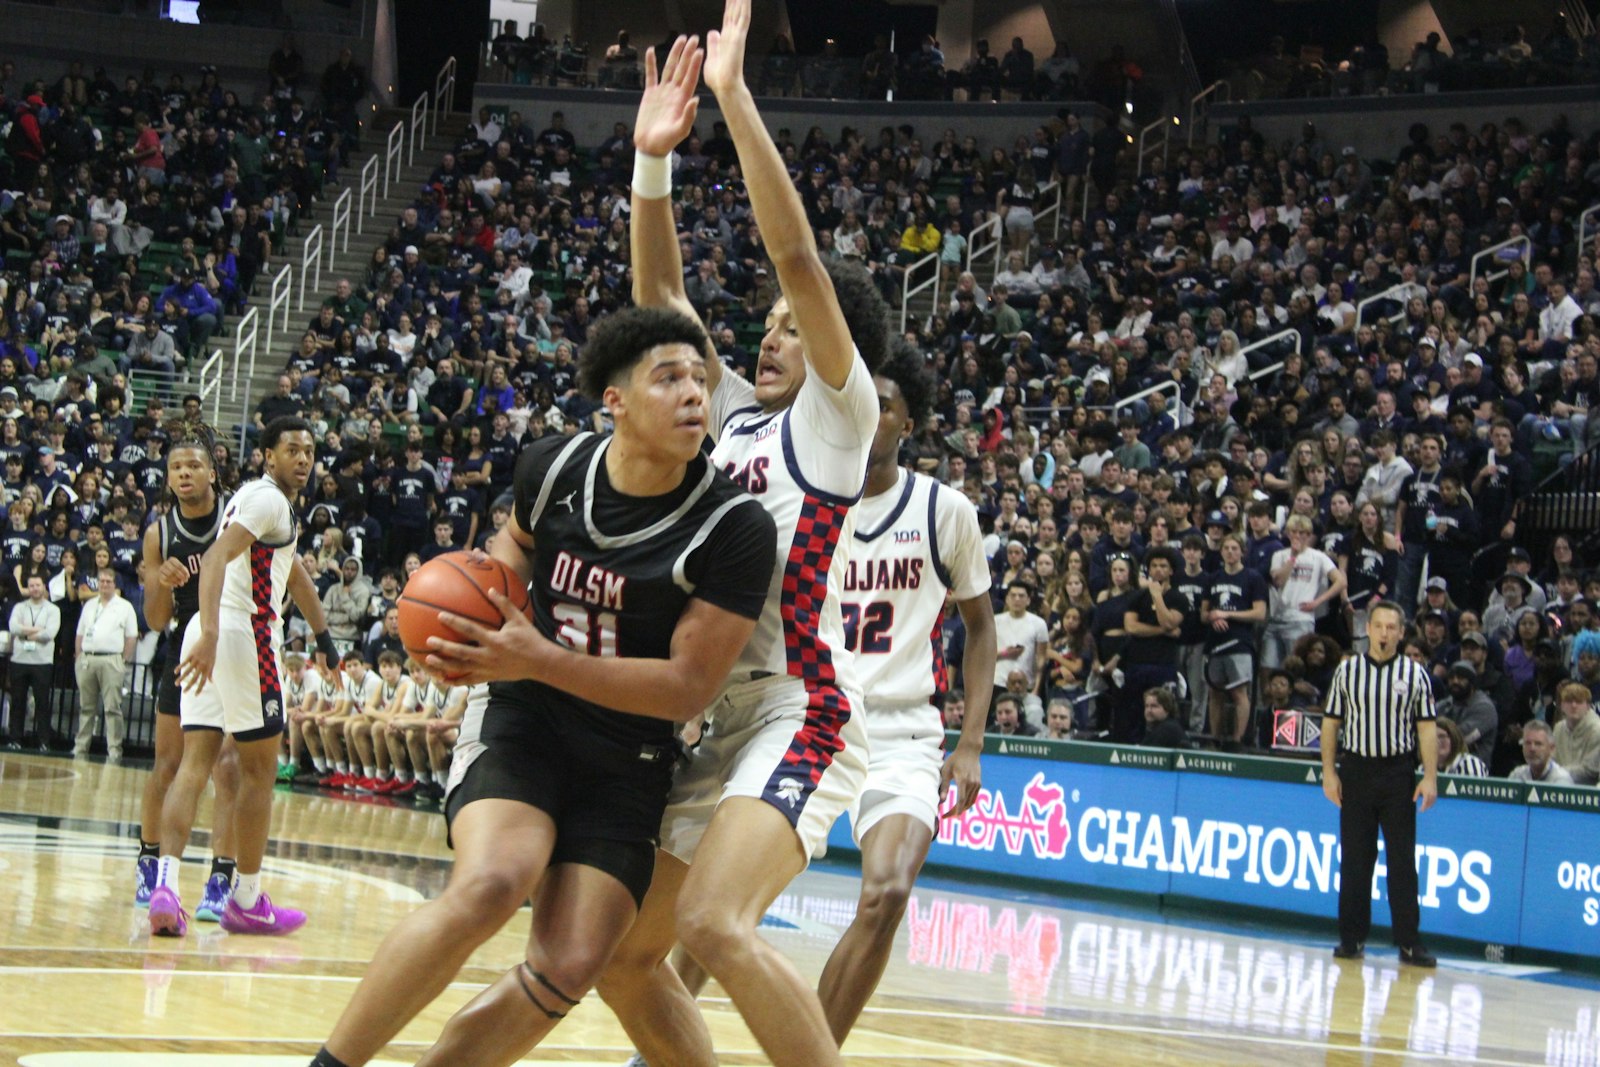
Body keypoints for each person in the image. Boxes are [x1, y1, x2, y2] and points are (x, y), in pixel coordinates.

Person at [307, 306, 776, 1067]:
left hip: (630, 753)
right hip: (526, 715)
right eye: (669, 377)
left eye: (701, 377)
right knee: (493, 879)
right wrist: (469, 620)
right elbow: (512, 554)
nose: (694, 392)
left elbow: (687, 688)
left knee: (570, 960)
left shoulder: (734, 526)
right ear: (615, 400)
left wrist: (535, 652)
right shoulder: (553, 467)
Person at [596, 17, 890, 1067]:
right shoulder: (729, 421)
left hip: (793, 705)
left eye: (782, 324)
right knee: (625, 959)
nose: (765, 335)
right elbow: (660, 306)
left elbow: (797, 253)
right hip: (702, 704)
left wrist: (731, 95)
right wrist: (649, 166)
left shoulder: (835, 417)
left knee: (715, 925)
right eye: (758, 324)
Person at [815, 338, 996, 1038]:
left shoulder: (945, 510)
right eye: (860, 402)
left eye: (883, 405)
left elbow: (981, 629)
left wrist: (972, 741)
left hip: (901, 731)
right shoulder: (807, 496)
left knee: (888, 888)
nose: (870, 415)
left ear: (907, 425)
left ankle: (811, 1054)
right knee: (728, 896)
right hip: (809, 719)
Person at [150, 416, 336, 937]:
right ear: (267, 457)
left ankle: (166, 885)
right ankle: (247, 899)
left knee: (197, 762)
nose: (303, 459)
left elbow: (295, 577)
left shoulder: (258, 505)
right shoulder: (268, 500)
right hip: (240, 636)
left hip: (212, 634)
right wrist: (211, 633)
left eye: (309, 451)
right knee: (258, 771)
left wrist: (324, 641)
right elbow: (213, 559)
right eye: (291, 450)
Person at [134, 423, 242, 924]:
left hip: (233, 639)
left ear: (213, 472)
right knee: (168, 763)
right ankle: (149, 859)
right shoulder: (159, 532)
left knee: (228, 766)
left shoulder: (234, 516)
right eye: (176, 467)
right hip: (184, 644)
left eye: (194, 465)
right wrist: (159, 581)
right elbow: (155, 620)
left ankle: (222, 874)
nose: (184, 473)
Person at [1320, 599, 1438, 967]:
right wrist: (1328, 771)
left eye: (1392, 627)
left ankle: (1408, 942)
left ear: (1402, 633)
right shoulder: (1347, 671)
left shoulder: (1415, 674)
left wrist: (1430, 776)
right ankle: (1351, 939)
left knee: (1402, 861)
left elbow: (1427, 727)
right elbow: (1330, 724)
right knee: (1356, 859)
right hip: (1356, 770)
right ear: (1367, 629)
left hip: (1397, 773)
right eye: (1379, 626)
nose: (1385, 633)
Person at [73, 565, 139, 761]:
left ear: (115, 584)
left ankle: (114, 749)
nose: (104, 585)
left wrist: (123, 660)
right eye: (101, 581)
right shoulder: (89, 605)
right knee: (86, 707)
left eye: (108, 582)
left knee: (112, 708)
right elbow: (80, 633)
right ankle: (81, 747)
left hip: (111, 659)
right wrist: (79, 656)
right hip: (88, 658)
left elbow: (131, 636)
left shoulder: (124, 607)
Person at [1507, 720, 1574, 784]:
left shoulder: (1561, 779)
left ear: (1551, 749)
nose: (1532, 748)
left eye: (1538, 744)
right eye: (1527, 743)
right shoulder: (1517, 776)